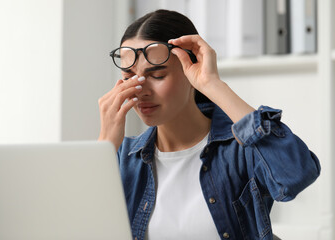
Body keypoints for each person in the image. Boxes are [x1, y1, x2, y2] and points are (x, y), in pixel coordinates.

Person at [98, 9, 320, 240]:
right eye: (128, 77)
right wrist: (104, 146)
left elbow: (296, 174)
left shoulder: (241, 150)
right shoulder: (123, 156)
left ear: (191, 70)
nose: (141, 91)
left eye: (157, 75)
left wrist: (213, 85)